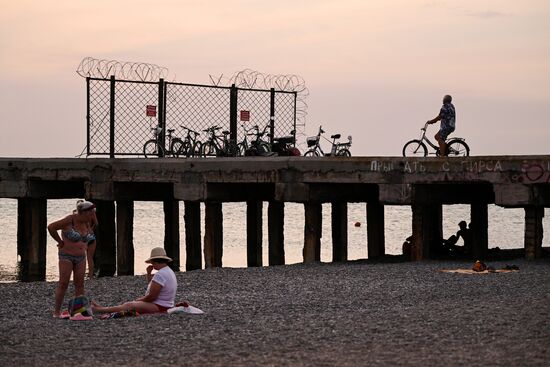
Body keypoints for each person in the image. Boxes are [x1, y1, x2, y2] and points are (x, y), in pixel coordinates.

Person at [47, 200, 97, 318]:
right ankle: (57, 312)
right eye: (90, 213)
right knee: (63, 283)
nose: (92, 215)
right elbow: (51, 227)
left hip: (81, 257)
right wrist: (59, 241)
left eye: (92, 213)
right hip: (66, 256)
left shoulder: (87, 222)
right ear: (82, 212)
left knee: (79, 284)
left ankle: (78, 311)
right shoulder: (69, 220)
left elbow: (92, 231)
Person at [92, 247, 177, 315]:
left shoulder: (160, 275)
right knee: (129, 305)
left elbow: (152, 296)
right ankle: (102, 308)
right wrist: (148, 274)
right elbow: (152, 287)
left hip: (159, 306)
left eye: (152, 262)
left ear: (155, 261)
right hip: (166, 305)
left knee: (130, 305)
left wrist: (140, 300)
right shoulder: (168, 271)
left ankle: (100, 310)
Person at [75, 199, 98, 278]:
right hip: (91, 235)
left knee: (80, 257)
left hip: (82, 235)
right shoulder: (92, 213)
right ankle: (90, 275)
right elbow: (96, 223)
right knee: (90, 257)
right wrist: (91, 229)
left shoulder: (76, 215)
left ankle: (80, 274)